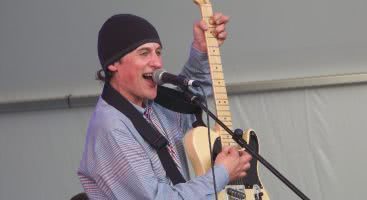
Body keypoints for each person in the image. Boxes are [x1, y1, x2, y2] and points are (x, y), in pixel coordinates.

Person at [77, 12, 252, 200]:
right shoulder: (111, 128)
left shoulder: (155, 105)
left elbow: (190, 98)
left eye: (158, 52)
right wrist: (222, 173)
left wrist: (201, 50)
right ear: (113, 63)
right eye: (144, 53)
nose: (158, 63)